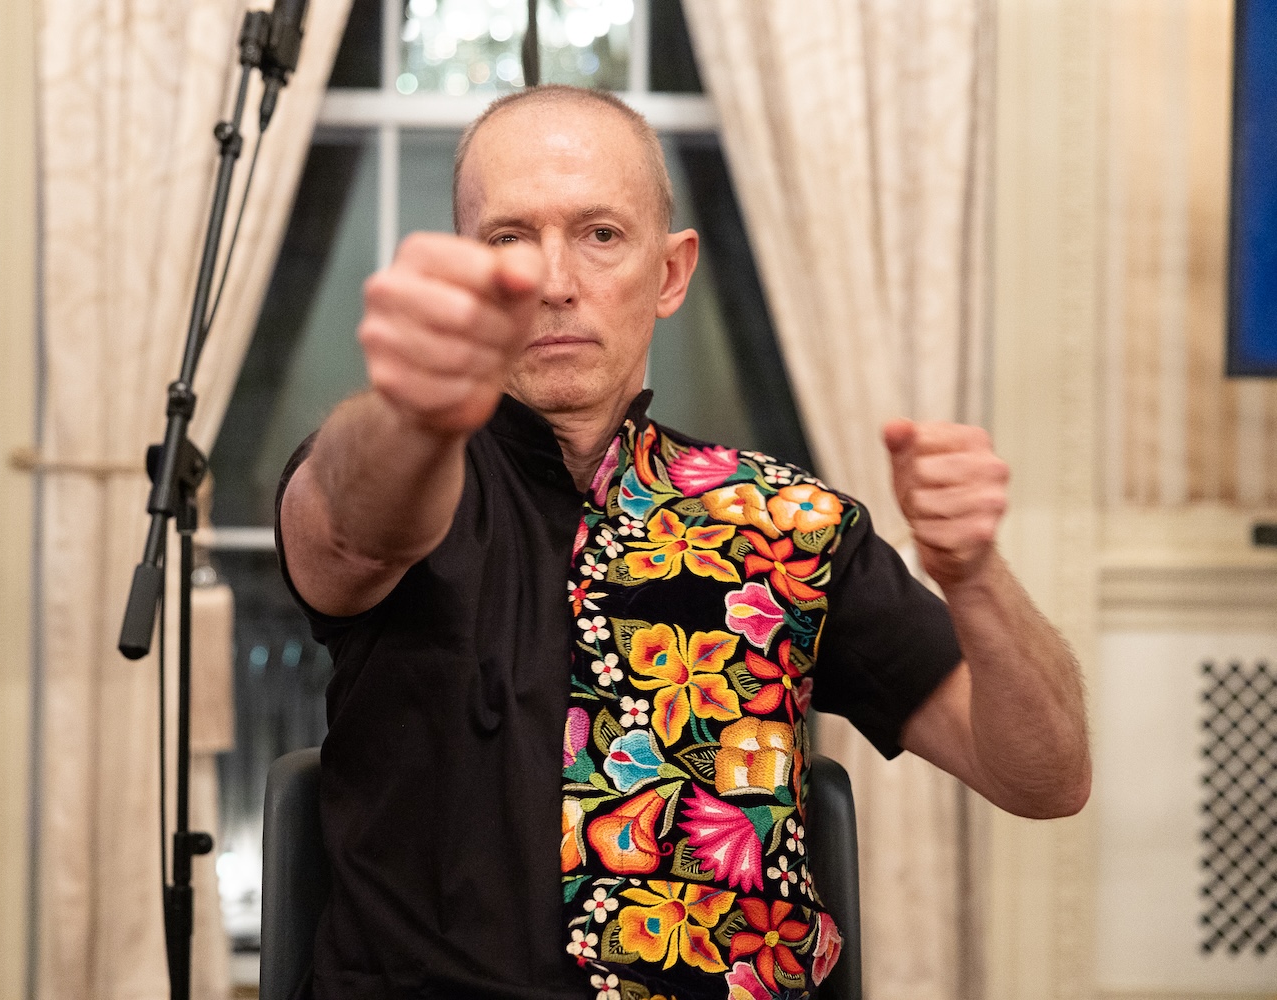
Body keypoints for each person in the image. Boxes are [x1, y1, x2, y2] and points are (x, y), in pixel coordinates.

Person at [276, 85, 1090, 1000]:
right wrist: (410, 407)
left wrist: (975, 578)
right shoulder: (396, 466)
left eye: (600, 234)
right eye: (508, 238)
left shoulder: (791, 526)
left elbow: (1045, 778)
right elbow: (354, 520)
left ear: (669, 274)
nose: (552, 280)